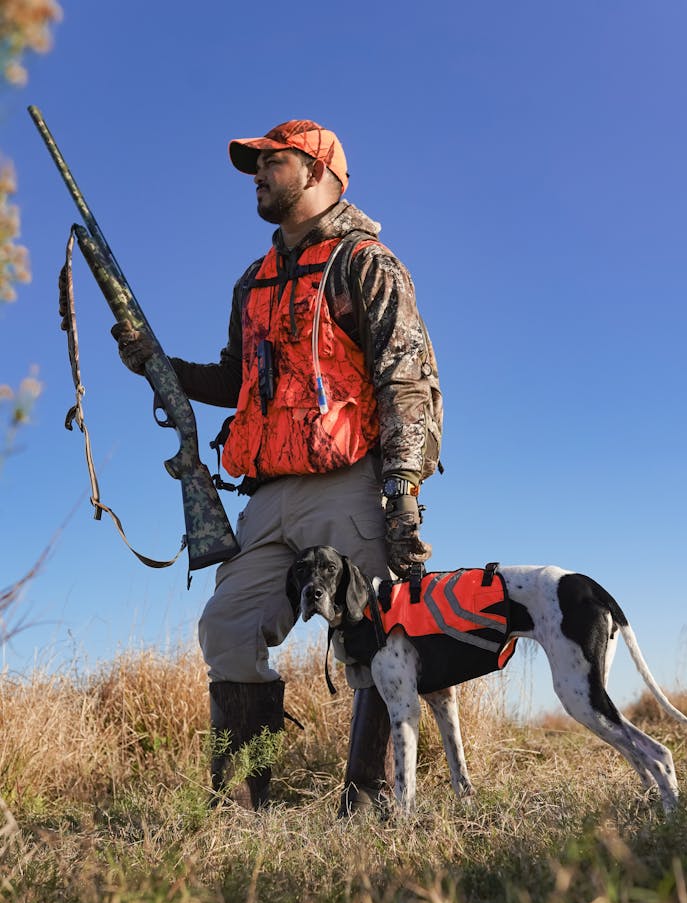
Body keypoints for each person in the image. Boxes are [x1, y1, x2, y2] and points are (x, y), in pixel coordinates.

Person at [113, 119, 442, 813]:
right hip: (267, 495)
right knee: (227, 631)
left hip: (349, 480)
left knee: (373, 632)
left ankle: (371, 802)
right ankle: (240, 808)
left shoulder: (366, 264)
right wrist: (157, 366)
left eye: (272, 161)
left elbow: (407, 380)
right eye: (254, 164)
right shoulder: (252, 282)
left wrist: (403, 491)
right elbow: (237, 379)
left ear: (319, 170)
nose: (257, 173)